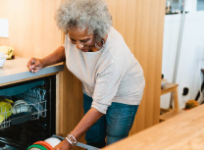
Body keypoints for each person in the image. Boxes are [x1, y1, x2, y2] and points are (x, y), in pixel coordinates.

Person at [27, 0, 145, 149]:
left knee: (115, 142)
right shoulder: (77, 31)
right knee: (93, 139)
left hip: (123, 94)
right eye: (73, 40)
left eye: (84, 41)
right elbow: (66, 50)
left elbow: (99, 106)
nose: (78, 46)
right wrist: (43, 62)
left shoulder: (113, 56)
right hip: (94, 89)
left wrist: (69, 140)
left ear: (98, 31)